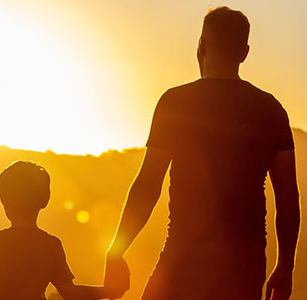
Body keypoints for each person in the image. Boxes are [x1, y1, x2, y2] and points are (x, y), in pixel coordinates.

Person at [105, 6, 300, 300]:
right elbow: (288, 200)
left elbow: (147, 184)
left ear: (201, 46)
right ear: (244, 52)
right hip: (245, 265)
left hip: (183, 258)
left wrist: (116, 250)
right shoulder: (271, 109)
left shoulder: (175, 102)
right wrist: (286, 268)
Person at [0, 161, 128, 300]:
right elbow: (70, 292)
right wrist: (110, 290)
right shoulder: (51, 245)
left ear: (4, 202)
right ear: (44, 201)